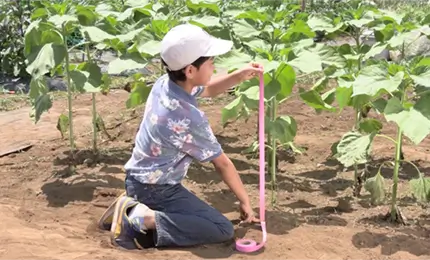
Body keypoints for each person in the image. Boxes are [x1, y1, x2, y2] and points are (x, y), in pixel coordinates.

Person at [108, 23, 263, 250]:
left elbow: (207, 89)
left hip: (139, 179)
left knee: (203, 219)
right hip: (157, 189)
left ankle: (133, 203)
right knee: (222, 229)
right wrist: (245, 201)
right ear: (190, 70)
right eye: (211, 63)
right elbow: (222, 163)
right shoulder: (186, 118)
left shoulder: (166, 85)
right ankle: (140, 218)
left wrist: (239, 76)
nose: (214, 66)